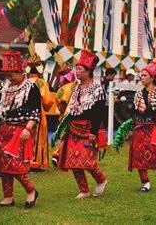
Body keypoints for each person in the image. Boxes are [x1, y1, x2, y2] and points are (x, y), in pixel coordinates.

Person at [0, 51, 40, 208]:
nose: (9, 78)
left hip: (20, 130)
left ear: (21, 72)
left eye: (12, 75)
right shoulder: (7, 86)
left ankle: (31, 191)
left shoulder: (31, 87)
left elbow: (35, 112)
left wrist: (28, 129)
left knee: (15, 164)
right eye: (7, 75)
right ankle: (8, 197)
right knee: (3, 164)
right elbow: (1, 107)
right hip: (3, 129)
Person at [58, 50, 108, 199]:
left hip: (87, 128)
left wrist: (93, 132)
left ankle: (101, 180)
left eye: (80, 69)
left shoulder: (97, 89)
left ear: (88, 71)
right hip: (73, 127)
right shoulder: (77, 88)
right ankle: (84, 189)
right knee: (73, 160)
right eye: (76, 68)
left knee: (88, 161)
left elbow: (98, 113)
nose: (76, 71)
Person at [128, 60, 156, 192]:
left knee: (155, 155)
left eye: (145, 75)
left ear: (152, 77)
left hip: (154, 129)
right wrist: (130, 129)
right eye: (141, 75)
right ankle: (145, 183)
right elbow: (134, 113)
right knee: (139, 155)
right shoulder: (139, 93)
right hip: (140, 128)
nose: (142, 78)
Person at [26, 55, 56, 172]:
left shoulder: (25, 82)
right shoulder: (41, 83)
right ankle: (35, 163)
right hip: (38, 113)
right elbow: (47, 101)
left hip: (25, 113)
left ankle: (26, 161)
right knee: (38, 138)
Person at [51, 65, 76, 167]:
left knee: (66, 138)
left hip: (65, 117)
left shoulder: (62, 89)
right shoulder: (75, 85)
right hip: (75, 116)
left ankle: (59, 156)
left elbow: (61, 106)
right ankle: (59, 156)